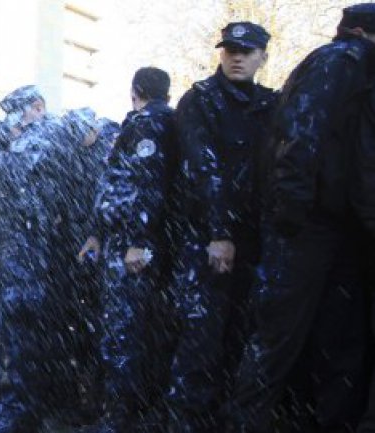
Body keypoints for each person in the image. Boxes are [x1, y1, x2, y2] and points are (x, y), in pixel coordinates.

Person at [226, 5, 375, 432]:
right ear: (363, 33)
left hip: (334, 225)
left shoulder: (352, 66)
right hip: (309, 225)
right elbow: (299, 135)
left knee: (335, 341)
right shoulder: (339, 61)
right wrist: (291, 214)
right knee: (278, 340)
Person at [166, 22, 277, 432]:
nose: (236, 57)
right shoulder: (201, 100)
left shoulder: (271, 103)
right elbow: (203, 169)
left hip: (256, 239)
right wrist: (220, 232)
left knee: (242, 339)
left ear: (263, 57)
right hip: (208, 238)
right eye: (230, 49)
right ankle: (185, 422)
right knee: (200, 339)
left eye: (247, 51)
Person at [77, 67, 177, 432]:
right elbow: (118, 186)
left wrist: (137, 240)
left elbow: (147, 184)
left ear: (134, 90)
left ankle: (119, 419)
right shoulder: (151, 121)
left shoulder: (149, 124)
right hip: (123, 239)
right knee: (122, 328)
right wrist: (97, 233)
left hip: (133, 245)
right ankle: (120, 413)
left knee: (123, 331)